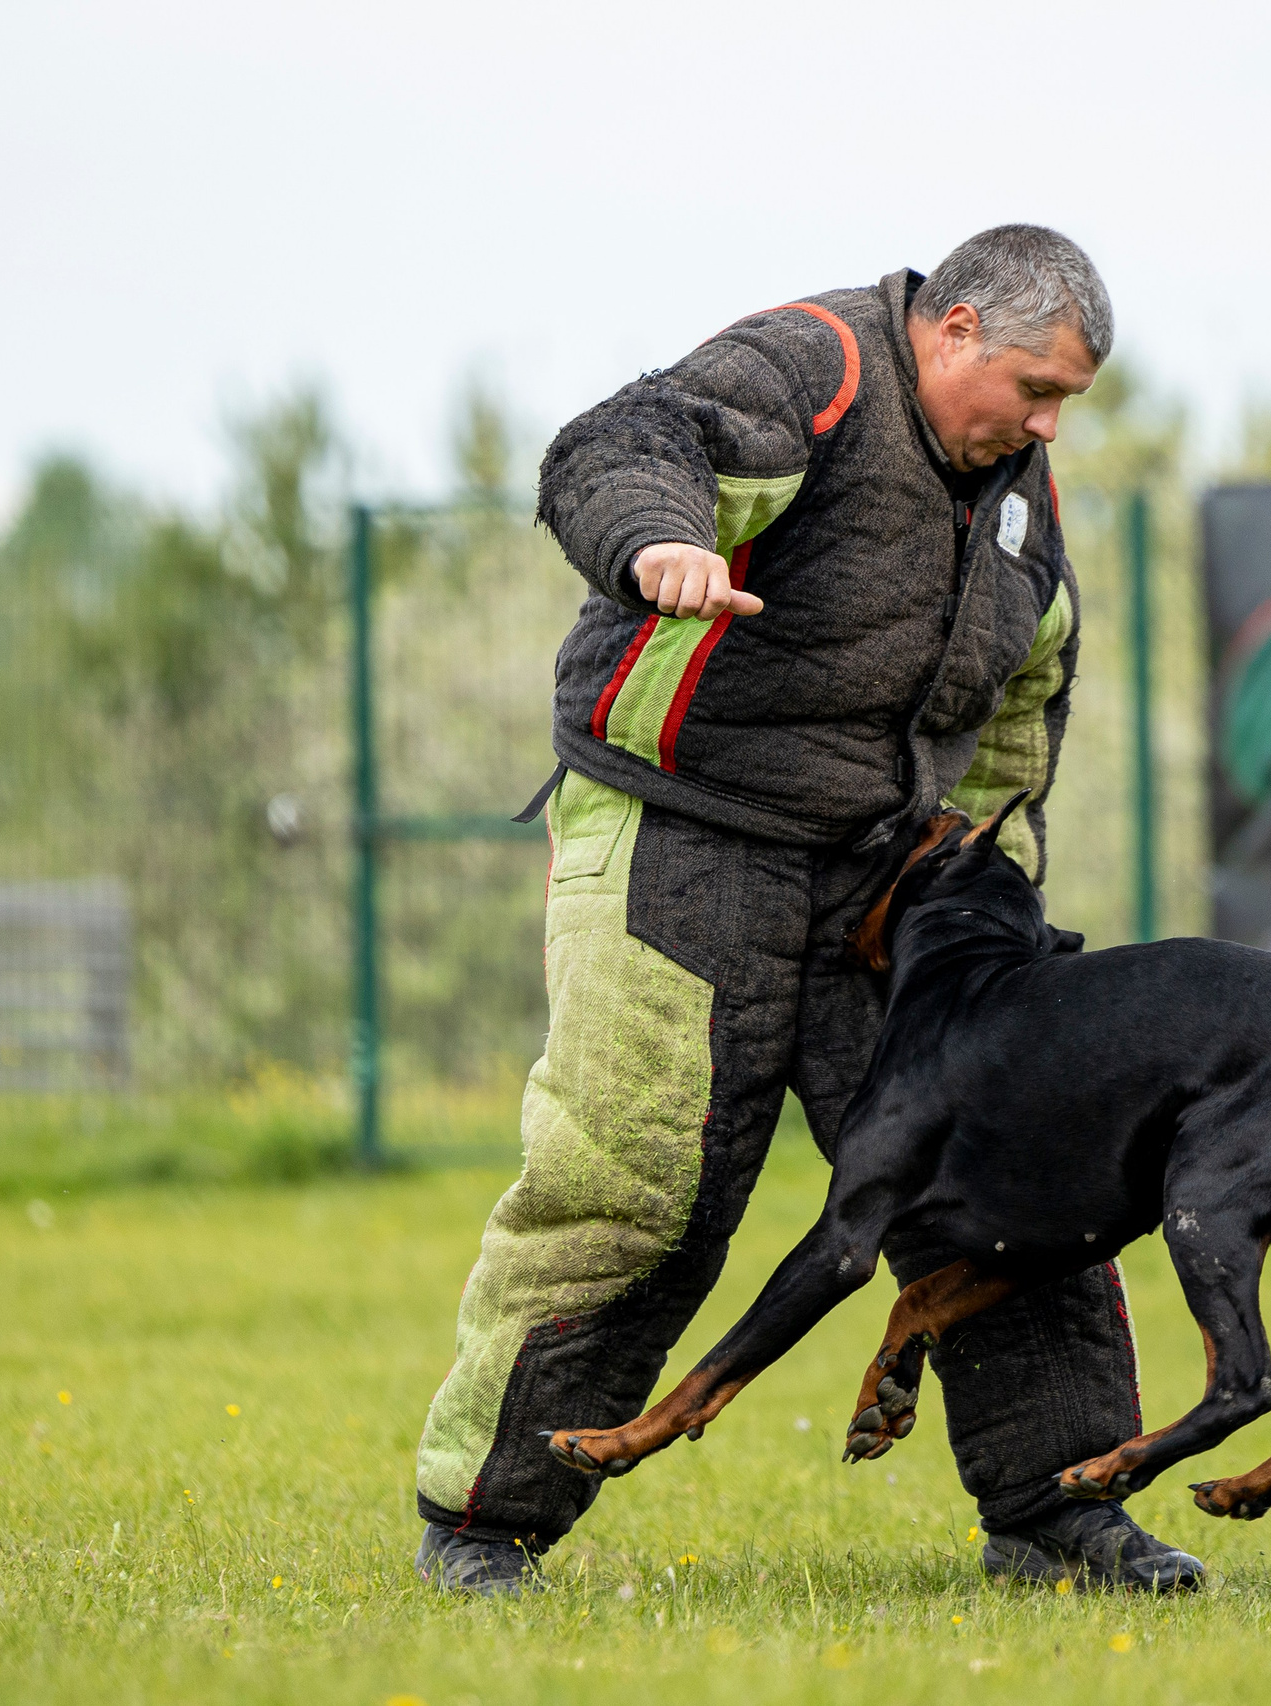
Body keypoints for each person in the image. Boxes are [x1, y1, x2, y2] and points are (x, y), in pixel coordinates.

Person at [411, 226, 1202, 1595]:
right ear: (950, 328)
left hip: (889, 868)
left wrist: (992, 868)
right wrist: (658, 544)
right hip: (681, 820)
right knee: (642, 1179)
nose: (1047, 422)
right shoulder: (817, 367)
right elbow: (621, 441)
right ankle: (483, 1519)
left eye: (1067, 399)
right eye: (1033, 386)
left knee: (1012, 1162)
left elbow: (1029, 677)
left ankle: (1062, 1505)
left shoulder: (1015, 485)